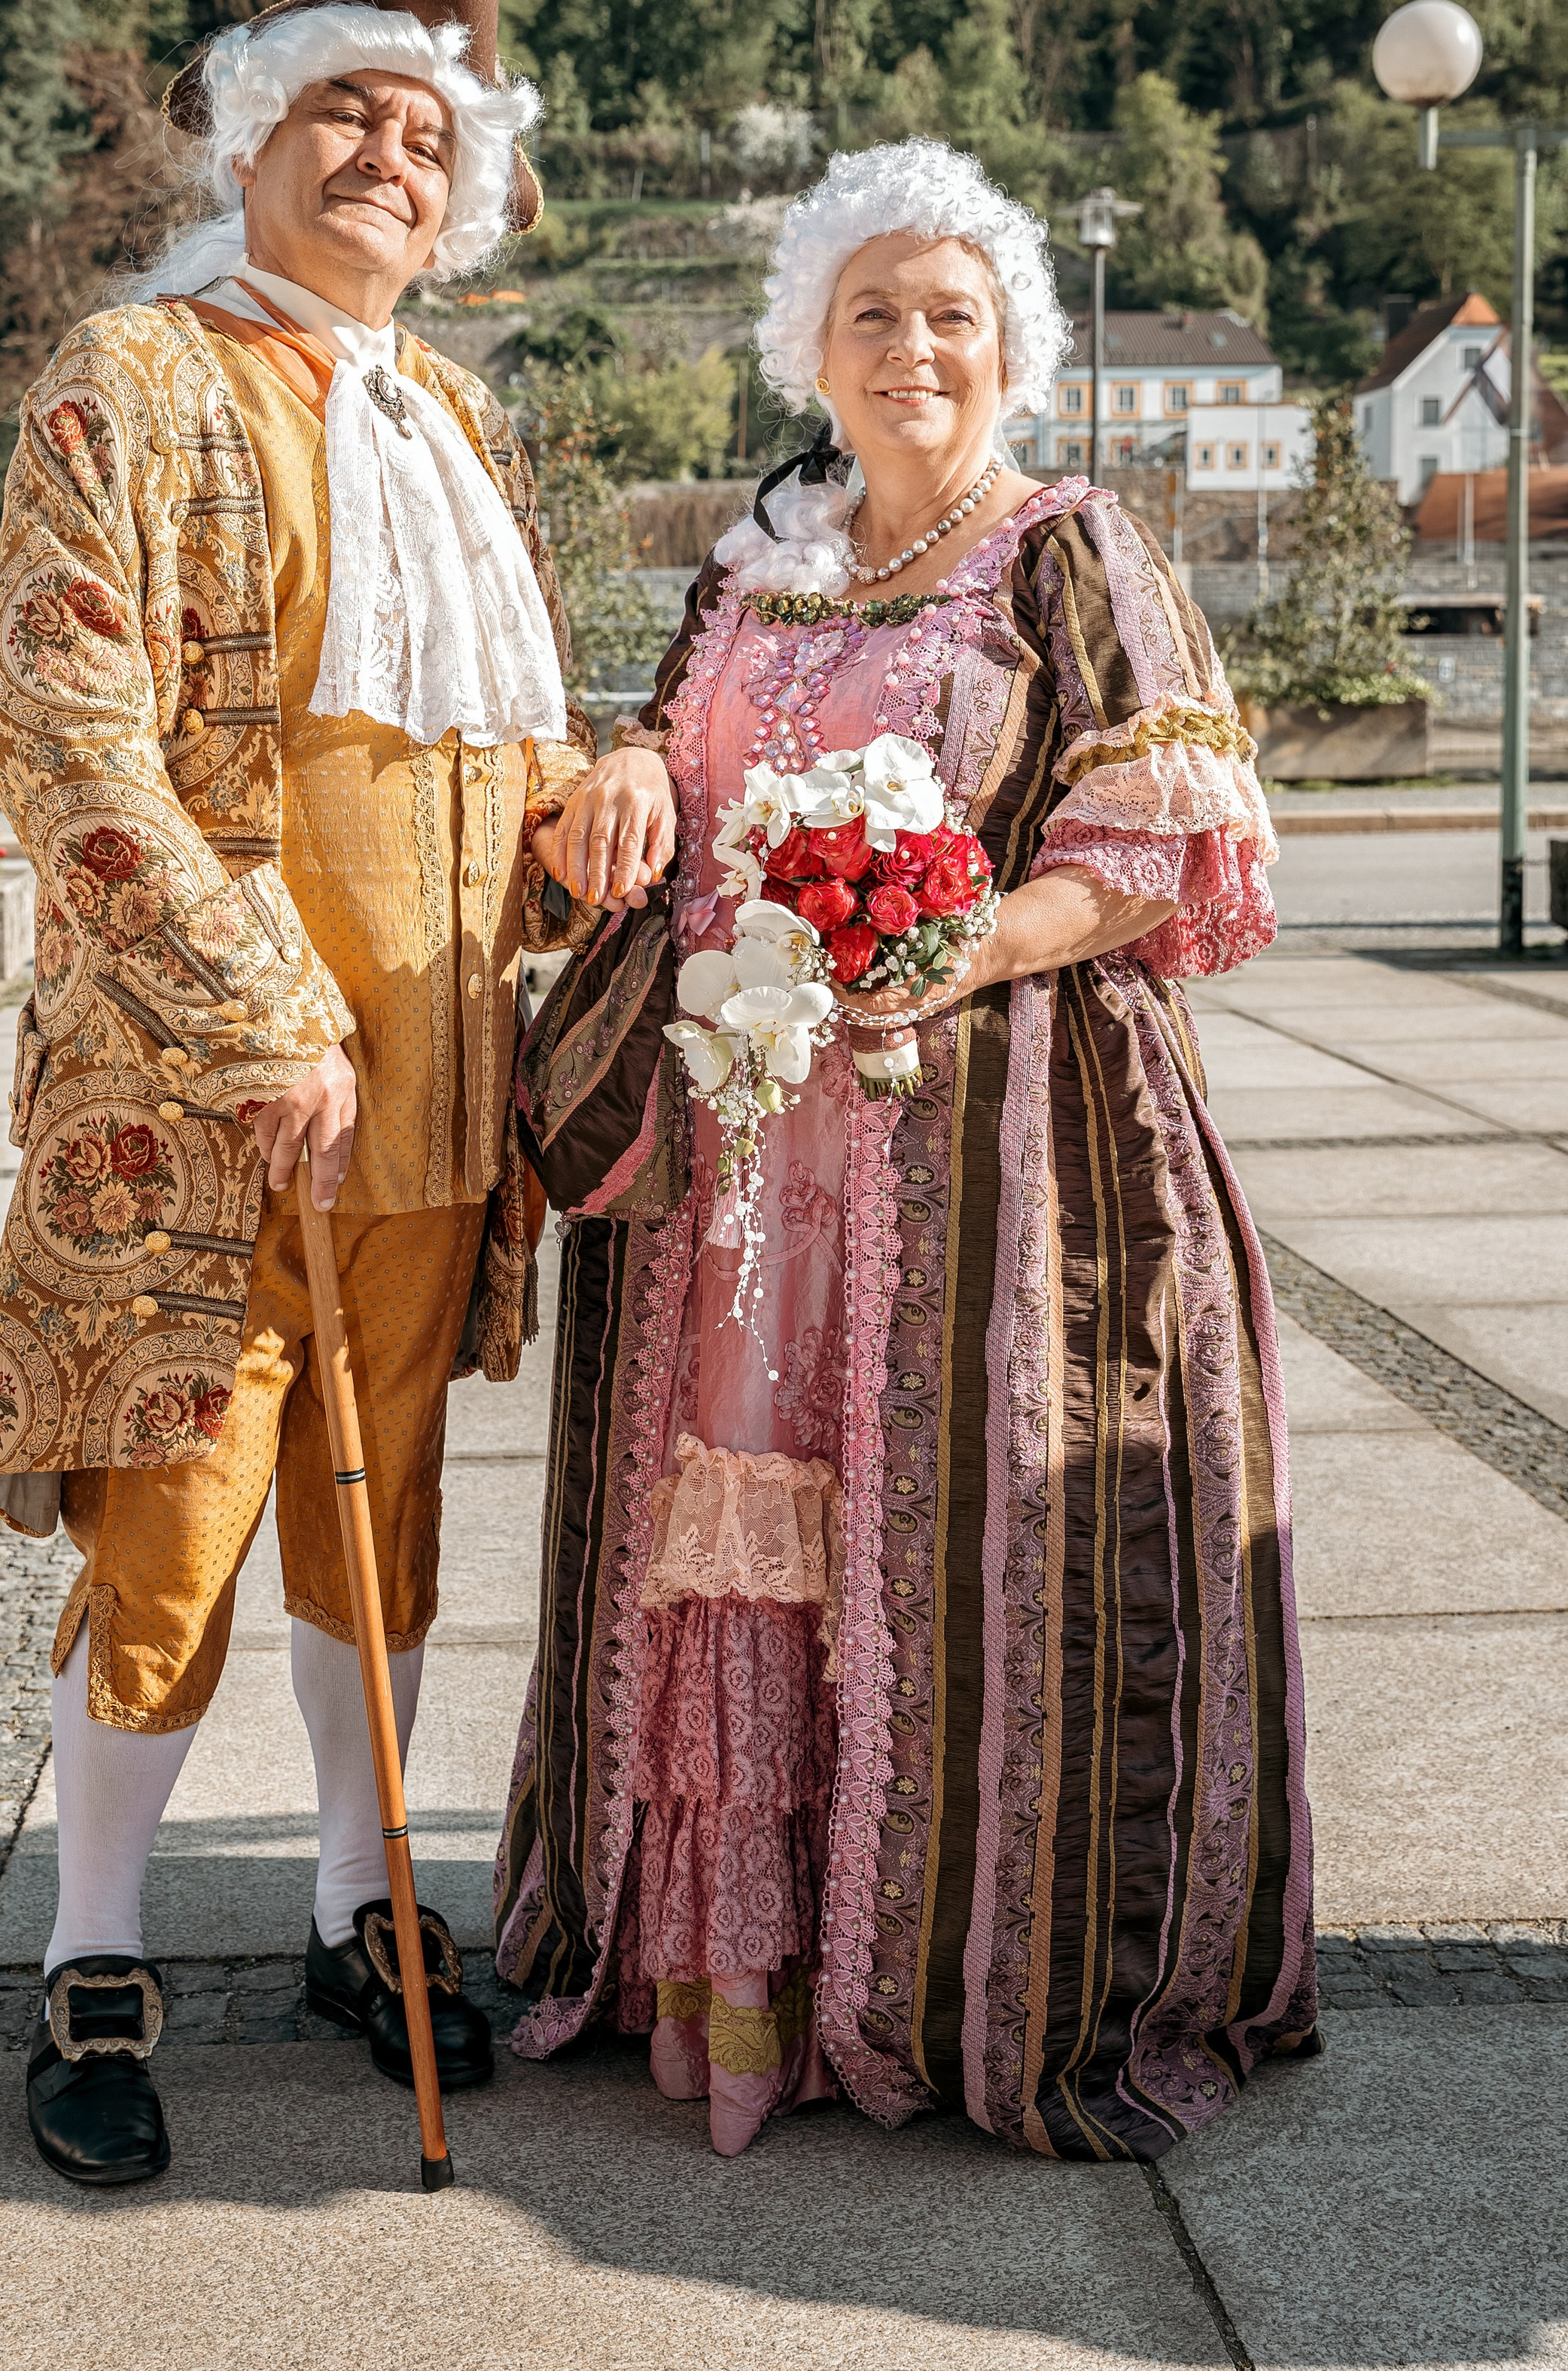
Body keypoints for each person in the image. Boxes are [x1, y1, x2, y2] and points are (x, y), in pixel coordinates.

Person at [500, 139, 1317, 2162]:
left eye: (955, 313)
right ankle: (724, 1964)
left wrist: (961, 949)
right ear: (815, 346)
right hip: (735, 1155)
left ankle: (931, 1976)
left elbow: (1162, 836)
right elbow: (670, 745)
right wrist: (626, 761)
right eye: (873, 312)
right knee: (722, 1518)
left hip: (994, 1147)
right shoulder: (754, 566)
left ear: (1012, 345)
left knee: (946, 1535)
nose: (914, 347)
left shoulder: (1065, 549)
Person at [0, 0, 595, 2186]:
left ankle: (354, 1906)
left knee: (381, 1515)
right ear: (251, 139)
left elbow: (499, 739)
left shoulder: (465, 421)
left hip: (433, 1098)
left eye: (428, 138)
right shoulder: (131, 377)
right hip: (211, 1103)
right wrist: (253, 1016)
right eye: (346, 114)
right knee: (176, 1524)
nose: (388, 159)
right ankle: (93, 1950)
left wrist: (602, 794)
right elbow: (62, 726)